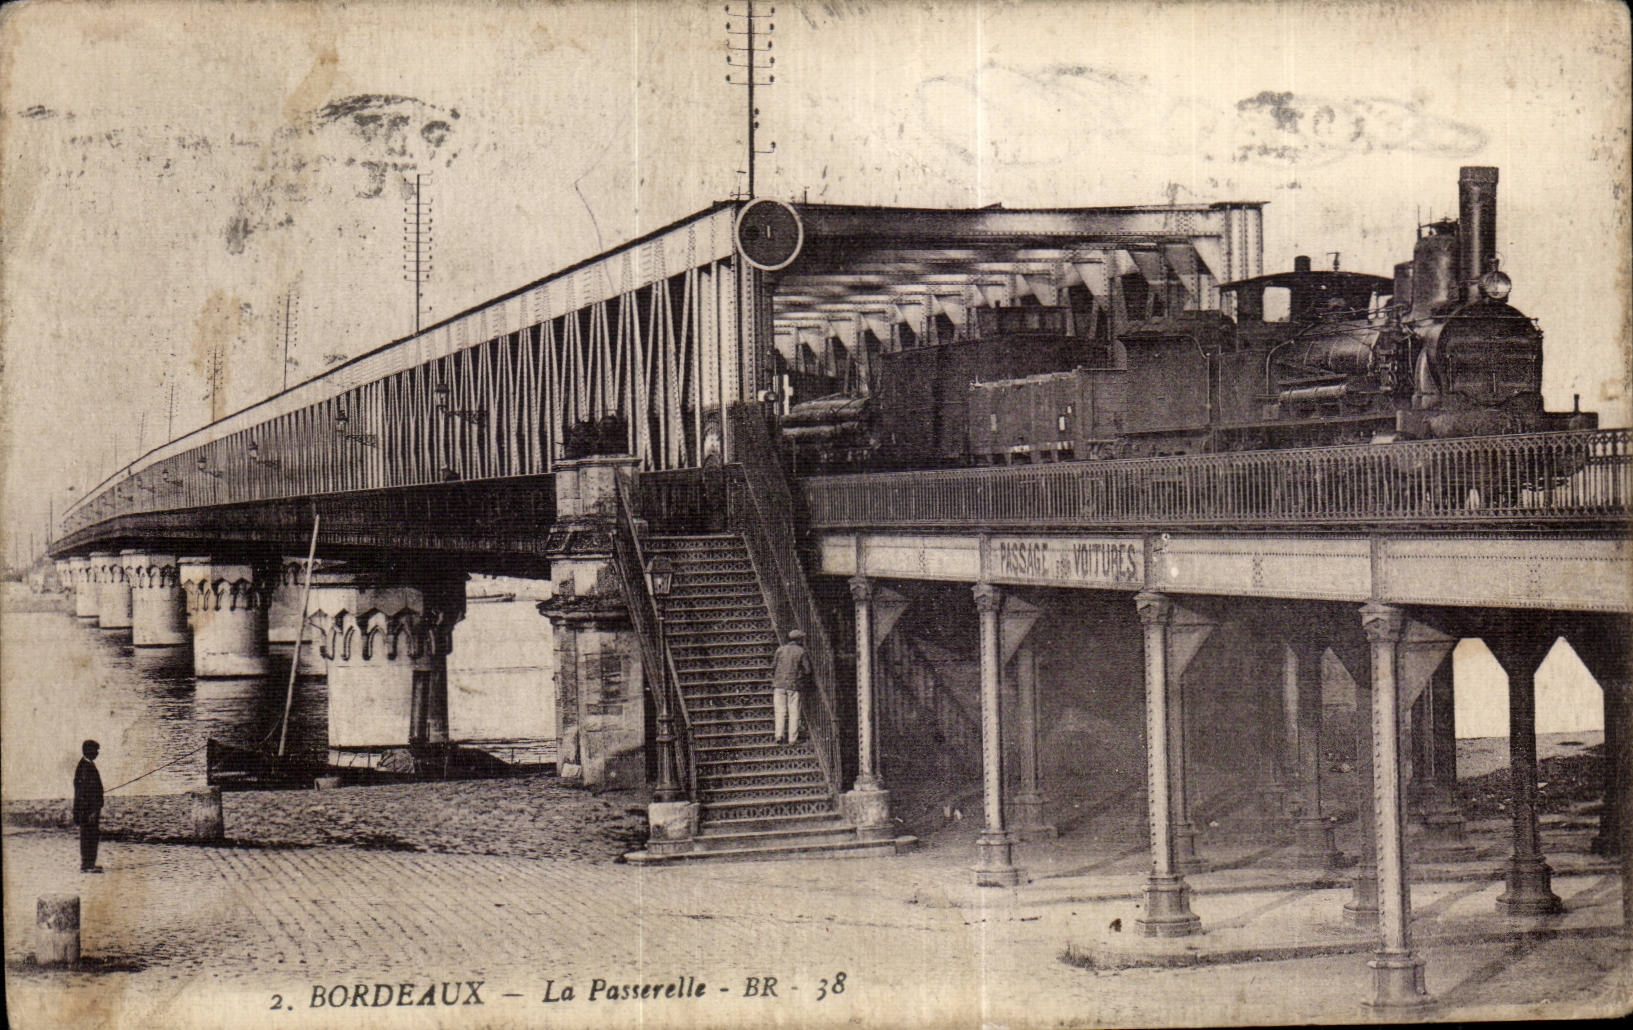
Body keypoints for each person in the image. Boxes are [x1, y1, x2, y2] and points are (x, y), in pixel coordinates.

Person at [771, 629, 811, 744]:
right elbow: (808, 670)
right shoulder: (801, 651)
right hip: (793, 685)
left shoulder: (780, 650)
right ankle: (792, 739)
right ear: (798, 640)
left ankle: (779, 735)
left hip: (778, 684)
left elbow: (773, 665)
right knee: (794, 712)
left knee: (780, 711)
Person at [73, 739, 104, 873]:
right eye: (95, 750)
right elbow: (84, 792)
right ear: (88, 751)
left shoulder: (87, 765)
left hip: (90, 808)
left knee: (92, 835)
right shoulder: (85, 767)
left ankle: (90, 863)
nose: (97, 753)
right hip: (88, 810)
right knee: (88, 836)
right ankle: (87, 865)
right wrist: (91, 811)